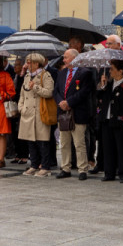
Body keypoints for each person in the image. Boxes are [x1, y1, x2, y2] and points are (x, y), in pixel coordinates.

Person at [54, 48, 94, 179]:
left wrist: (69, 102)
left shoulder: (85, 73)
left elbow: (84, 92)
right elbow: (56, 91)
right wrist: (61, 102)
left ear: (75, 58)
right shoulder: (62, 73)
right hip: (63, 113)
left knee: (79, 142)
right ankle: (65, 168)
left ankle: (83, 169)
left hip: (78, 112)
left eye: (66, 57)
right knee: (64, 142)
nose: (64, 60)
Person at [98, 58, 123, 182]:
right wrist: (102, 86)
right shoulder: (109, 83)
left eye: (112, 69)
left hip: (122, 121)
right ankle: (109, 172)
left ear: (120, 71)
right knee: (108, 148)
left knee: (122, 148)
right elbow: (100, 98)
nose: (110, 71)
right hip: (108, 119)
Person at [19, 53, 55, 177]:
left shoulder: (45, 75)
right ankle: (34, 165)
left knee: (42, 141)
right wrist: (21, 107)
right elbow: (22, 94)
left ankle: (45, 167)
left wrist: (36, 87)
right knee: (31, 141)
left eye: (29, 62)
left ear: (36, 63)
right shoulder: (27, 76)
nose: (27, 65)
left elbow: (49, 92)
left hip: (40, 113)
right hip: (28, 113)